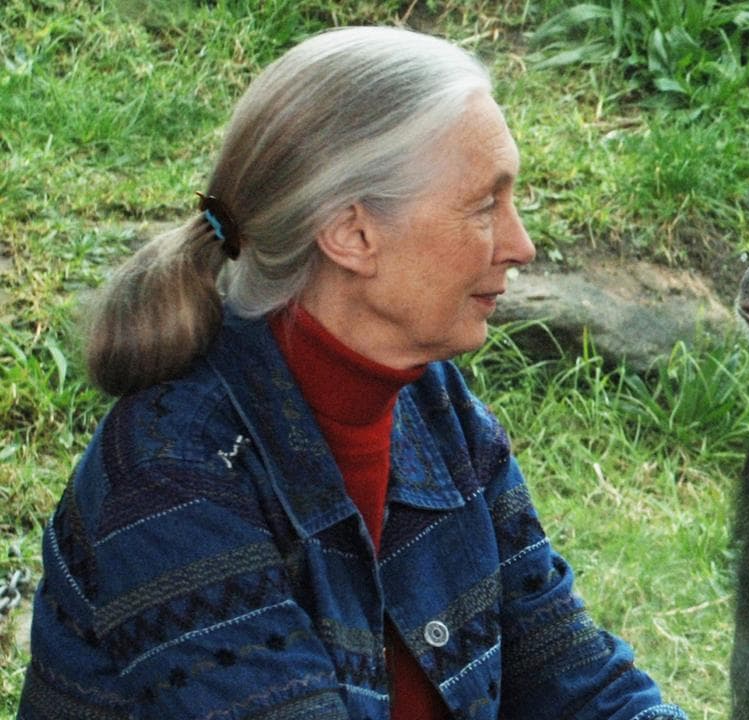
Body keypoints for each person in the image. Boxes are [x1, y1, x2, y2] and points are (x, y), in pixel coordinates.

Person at [19, 26, 686, 720]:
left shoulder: (434, 409)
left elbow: (582, 686)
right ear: (352, 234)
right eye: (485, 205)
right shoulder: (175, 472)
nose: (522, 244)